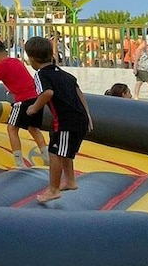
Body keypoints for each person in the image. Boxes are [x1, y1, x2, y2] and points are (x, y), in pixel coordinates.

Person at [25, 36, 93, 203]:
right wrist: (88, 117)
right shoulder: (65, 74)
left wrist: (34, 108)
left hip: (65, 121)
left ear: (32, 59)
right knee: (64, 151)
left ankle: (53, 189)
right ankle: (70, 181)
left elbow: (47, 93)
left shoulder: (41, 75)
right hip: (80, 119)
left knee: (55, 152)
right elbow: (79, 93)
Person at [0, 40, 49, 168]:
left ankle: (19, 163)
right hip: (36, 97)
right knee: (33, 128)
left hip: (23, 100)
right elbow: (17, 80)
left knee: (12, 128)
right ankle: (46, 158)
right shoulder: (16, 61)